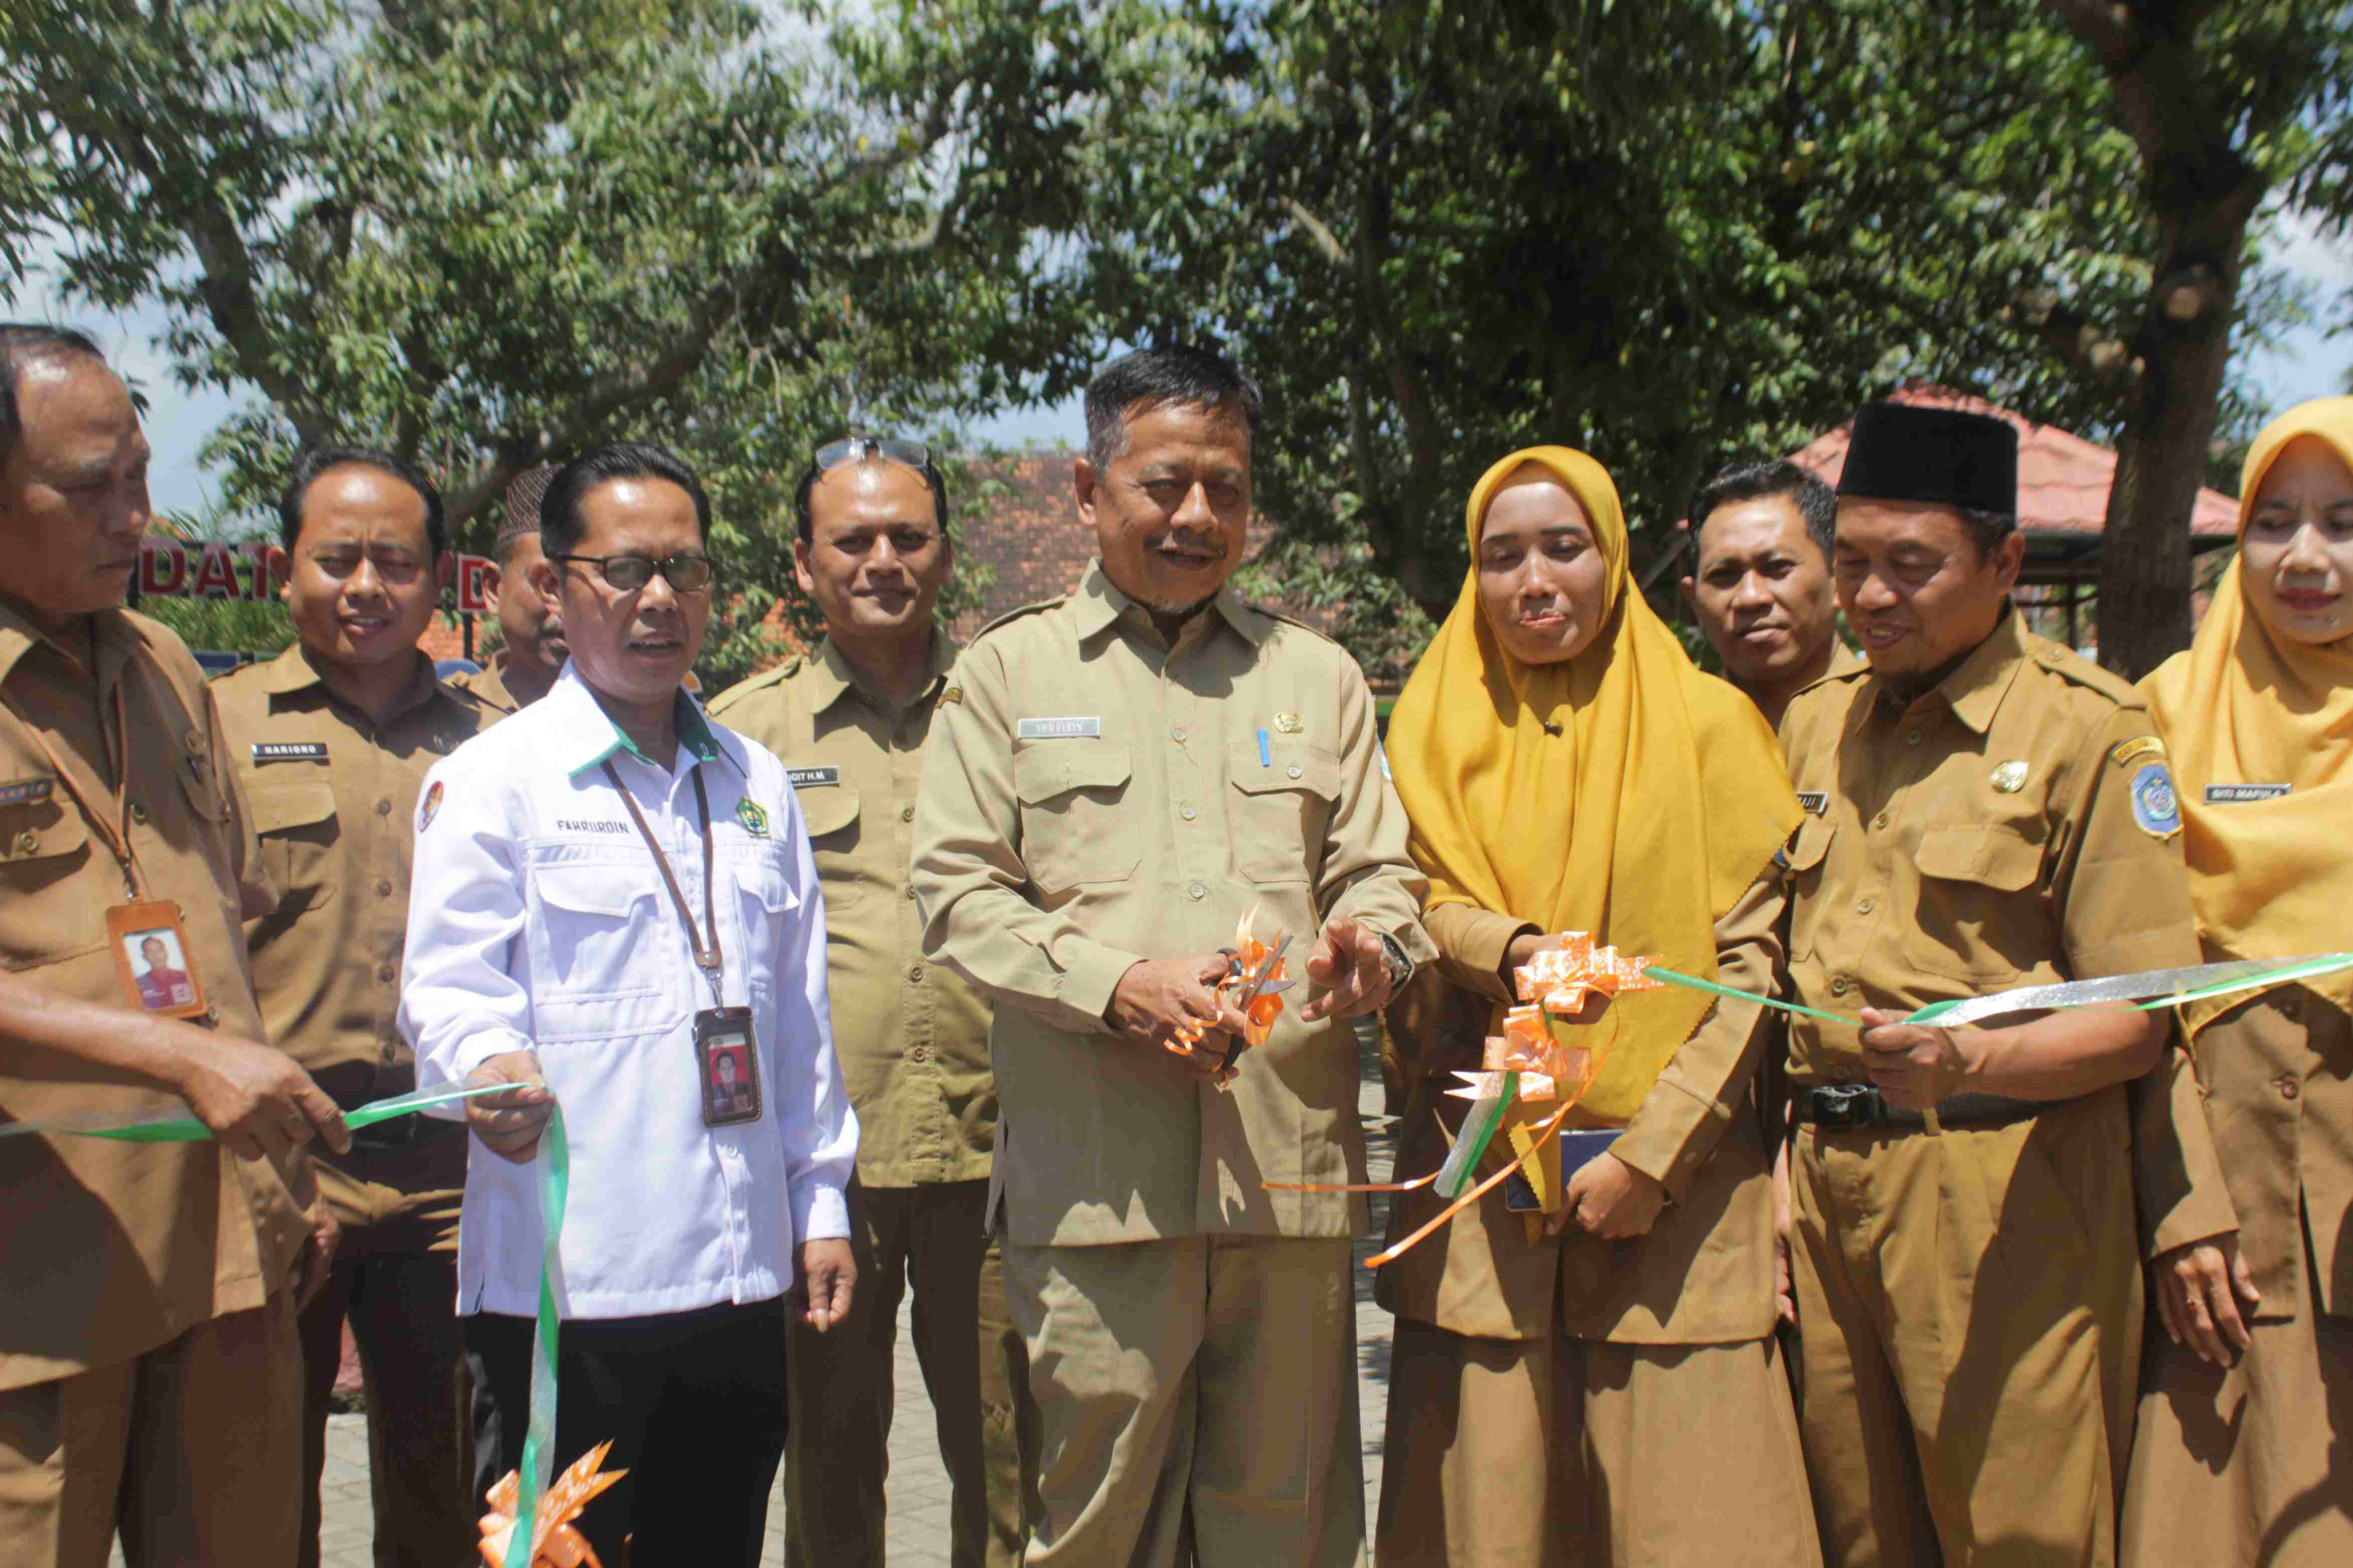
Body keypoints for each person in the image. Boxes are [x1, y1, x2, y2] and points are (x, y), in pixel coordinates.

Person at [912, 343, 1433, 1568]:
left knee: (1284, 1531)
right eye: (1164, 484)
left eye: (1227, 487)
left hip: (1287, 1186)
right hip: (1098, 1195)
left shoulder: (1317, 676)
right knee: (1097, 1531)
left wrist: (1374, 950)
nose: (1197, 514)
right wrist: (1117, 986)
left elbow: (1381, 873)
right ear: (1086, 489)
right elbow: (956, 893)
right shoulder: (1005, 673)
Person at [1777, 400, 2229, 1566]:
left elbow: (2140, 1014)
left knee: (2020, 1537)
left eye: (1911, 565)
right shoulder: (1815, 724)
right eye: (1851, 563)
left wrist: (1968, 1057)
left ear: (2005, 562)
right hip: (1825, 1189)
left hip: (2002, 1188)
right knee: (1861, 1534)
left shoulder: (2090, 731)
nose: (1870, 595)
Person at [399, 440, 859, 1565]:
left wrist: (820, 1203)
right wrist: (484, 1069)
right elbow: (448, 991)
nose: (659, 598)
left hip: (739, 1280)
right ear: (554, 586)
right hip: (568, 1292)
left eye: (685, 569)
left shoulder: (755, 782)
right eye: (623, 569)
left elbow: (797, 1024)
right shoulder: (494, 780)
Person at [1374, 445, 1820, 1567]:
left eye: (1563, 548)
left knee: (1693, 1529)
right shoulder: (1425, 729)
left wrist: (1650, 1158)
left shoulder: (1710, 724)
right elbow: (1401, 904)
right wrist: (1507, 950)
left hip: (1674, 1208)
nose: (1534, 581)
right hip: (1480, 1201)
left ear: (1613, 560)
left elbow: (1746, 975)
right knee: (1485, 1524)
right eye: (1501, 556)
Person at [0, 323, 349, 1566]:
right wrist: (174, 1058)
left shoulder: (159, 663)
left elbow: (225, 933)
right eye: (91, 486)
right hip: (40, 1289)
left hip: (230, 1261)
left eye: (142, 476)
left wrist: (285, 1176)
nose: (136, 517)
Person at [708, 436, 1031, 1568]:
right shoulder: (741, 737)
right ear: (804, 563)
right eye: (852, 540)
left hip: (999, 1148)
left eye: (908, 536)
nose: (882, 560)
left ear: (946, 552)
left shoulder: (1011, 709)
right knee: (831, 1465)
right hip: (821, 1173)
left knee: (1009, 1464)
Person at [211, 444, 501, 1568]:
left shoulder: (494, 738)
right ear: (285, 569)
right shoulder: (212, 721)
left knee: (444, 1483)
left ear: (440, 580)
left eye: (397, 561)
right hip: (280, 1163)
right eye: (337, 560)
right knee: (258, 1487)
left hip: (451, 1173)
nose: (366, 586)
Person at [2123, 396, 2353, 1565]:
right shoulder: (2158, 715)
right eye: (2272, 522)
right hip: (2215, 1226)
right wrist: (2179, 1208)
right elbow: (2123, 979)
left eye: (2343, 523)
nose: (2304, 556)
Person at [1680, 458, 1857, 727]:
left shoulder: (1905, 724)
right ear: (1695, 602)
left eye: (1777, 567)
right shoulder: (1670, 733)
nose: (1750, 597)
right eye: (1723, 575)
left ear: (1839, 579)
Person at [458, 464, 566, 713]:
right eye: (549, 582)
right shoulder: (449, 716)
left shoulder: (642, 720)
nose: (565, 605)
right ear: (494, 589)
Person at [132, 933, 195, 1010]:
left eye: (159, 950)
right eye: (150, 952)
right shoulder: (138, 984)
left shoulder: (185, 977)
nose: (156, 955)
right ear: (144, 957)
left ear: (166, 952)